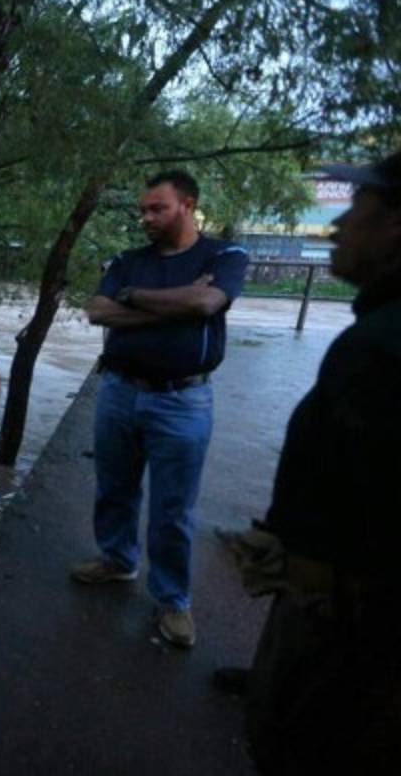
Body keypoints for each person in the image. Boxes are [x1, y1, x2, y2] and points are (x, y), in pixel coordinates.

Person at [230, 151, 401, 773]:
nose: (335, 225)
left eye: (356, 208)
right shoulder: (375, 335)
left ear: (395, 227)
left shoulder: (379, 350)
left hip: (345, 634)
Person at [71, 170, 249, 649]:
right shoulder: (129, 260)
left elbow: (207, 302)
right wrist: (174, 303)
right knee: (114, 488)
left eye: (157, 208)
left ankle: (173, 600)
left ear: (188, 205)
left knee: (173, 507)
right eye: (143, 210)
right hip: (118, 391)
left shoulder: (224, 256)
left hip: (182, 400)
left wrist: (133, 298)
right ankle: (117, 560)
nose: (145, 217)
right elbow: (96, 311)